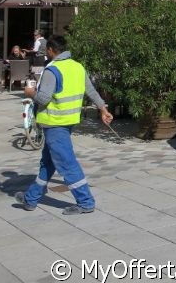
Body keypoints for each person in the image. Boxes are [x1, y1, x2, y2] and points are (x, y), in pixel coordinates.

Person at [15, 34, 113, 215]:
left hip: (54, 124)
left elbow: (43, 98)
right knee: (47, 163)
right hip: (68, 122)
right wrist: (102, 108)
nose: (46, 54)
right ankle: (31, 199)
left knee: (67, 164)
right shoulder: (77, 66)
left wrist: (30, 92)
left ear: (52, 50)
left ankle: (85, 202)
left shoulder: (53, 70)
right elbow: (90, 90)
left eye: (47, 51)